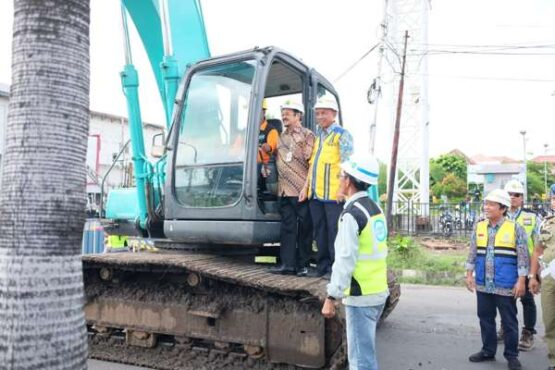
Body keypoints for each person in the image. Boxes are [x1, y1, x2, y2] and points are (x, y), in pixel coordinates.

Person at [321, 155, 388, 370]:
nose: (339, 180)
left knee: (360, 361)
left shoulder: (351, 214)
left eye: (341, 176)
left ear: (348, 181)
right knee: (365, 355)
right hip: (377, 291)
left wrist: (332, 296)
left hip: (361, 297)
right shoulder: (375, 209)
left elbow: (345, 259)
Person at [465, 189, 529, 370]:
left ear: (503, 208)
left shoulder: (515, 227)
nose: (486, 207)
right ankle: (487, 350)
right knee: (485, 318)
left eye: (491, 204)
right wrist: (469, 274)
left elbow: (523, 256)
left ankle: (511, 355)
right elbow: (472, 252)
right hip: (484, 283)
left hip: (506, 283)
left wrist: (522, 280)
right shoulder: (479, 226)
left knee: (509, 321)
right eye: (486, 203)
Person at [300, 97, 353, 278]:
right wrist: (305, 188)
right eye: (318, 113)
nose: (320, 116)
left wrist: (341, 190)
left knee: (334, 232)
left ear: (334, 114)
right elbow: (313, 165)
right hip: (316, 194)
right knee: (319, 231)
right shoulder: (318, 137)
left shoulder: (342, 135)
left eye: (324, 112)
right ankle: (322, 267)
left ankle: (334, 269)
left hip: (333, 195)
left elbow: (347, 165)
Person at [269, 100, 315, 276]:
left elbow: (311, 163)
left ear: (298, 116)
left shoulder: (307, 135)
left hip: (300, 190)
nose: (284, 116)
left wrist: (306, 187)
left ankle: (303, 265)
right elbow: (278, 158)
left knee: (304, 228)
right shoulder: (281, 136)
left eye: (288, 113)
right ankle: (287, 265)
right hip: (284, 190)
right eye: (283, 113)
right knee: (287, 227)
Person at [495, 180, 541, 350]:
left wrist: (535, 271)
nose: (513, 197)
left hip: (528, 265)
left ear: (522, 198)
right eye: (509, 194)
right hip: (505, 265)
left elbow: (538, 245)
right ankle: (506, 328)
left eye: (517, 195)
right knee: (505, 299)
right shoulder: (498, 216)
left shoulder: (532, 217)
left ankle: (528, 333)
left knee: (527, 299)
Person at [529, 184, 555, 370]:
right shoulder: (546, 222)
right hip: (549, 280)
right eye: (553, 197)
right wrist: (532, 276)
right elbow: (538, 250)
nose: (553, 201)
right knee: (550, 320)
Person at [258, 98, 279, 193]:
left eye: (259, 111)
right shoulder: (245, 131)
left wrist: (268, 147)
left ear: (264, 112)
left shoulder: (271, 130)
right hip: (246, 166)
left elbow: (271, 148)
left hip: (264, 168)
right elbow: (235, 150)